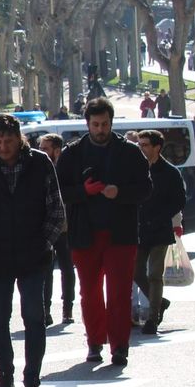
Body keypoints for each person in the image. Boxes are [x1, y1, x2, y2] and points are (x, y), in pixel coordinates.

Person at [0, 114, 65, 387]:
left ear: (19, 138)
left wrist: (43, 243)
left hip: (33, 255)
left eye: (8, 141)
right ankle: (5, 376)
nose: (3, 147)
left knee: (34, 318)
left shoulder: (40, 163)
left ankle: (32, 381)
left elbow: (56, 211)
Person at [55, 98, 151, 365]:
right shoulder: (73, 153)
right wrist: (83, 192)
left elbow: (145, 189)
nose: (100, 129)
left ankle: (119, 346)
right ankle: (95, 342)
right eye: (95, 124)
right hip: (85, 233)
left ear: (112, 122)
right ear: (87, 124)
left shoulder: (130, 152)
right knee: (90, 292)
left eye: (105, 124)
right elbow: (59, 191)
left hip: (121, 233)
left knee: (120, 292)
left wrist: (119, 192)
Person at [135, 129, 185, 335]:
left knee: (155, 274)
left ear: (157, 147)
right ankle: (160, 301)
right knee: (135, 271)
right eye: (140, 144)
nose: (141, 148)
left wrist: (162, 217)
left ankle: (152, 319)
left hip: (160, 229)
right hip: (138, 229)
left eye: (145, 145)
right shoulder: (135, 169)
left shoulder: (171, 172)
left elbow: (179, 200)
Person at [37, 134, 76, 325]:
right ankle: (45, 310)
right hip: (46, 225)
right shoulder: (39, 167)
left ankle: (67, 309)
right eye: (41, 147)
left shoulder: (67, 169)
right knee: (46, 269)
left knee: (67, 268)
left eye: (45, 148)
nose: (41, 151)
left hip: (66, 227)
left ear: (57, 150)